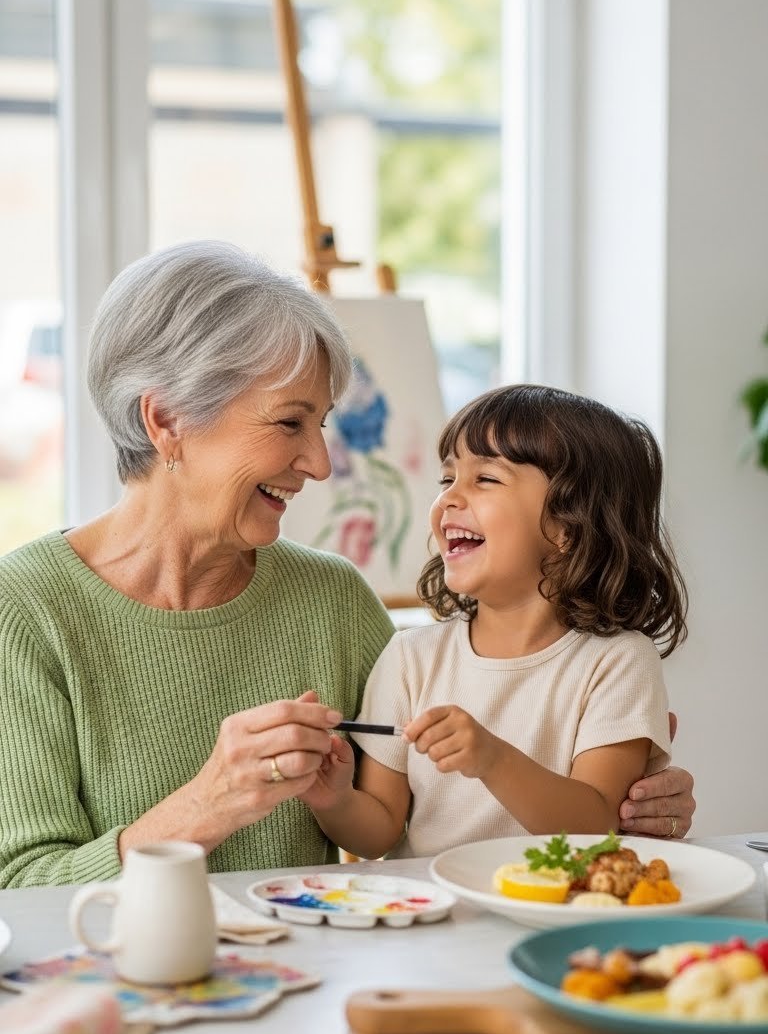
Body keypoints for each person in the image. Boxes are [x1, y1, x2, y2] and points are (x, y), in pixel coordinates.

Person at [0, 249, 694, 888]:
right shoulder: (27, 609)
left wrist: (635, 801)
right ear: (167, 420)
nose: (320, 464)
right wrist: (205, 806)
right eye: (288, 423)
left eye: (323, 424)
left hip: (312, 982)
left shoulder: (331, 599)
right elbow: (20, 891)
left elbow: (435, 805)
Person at [300, 384, 692, 859]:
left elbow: (595, 825)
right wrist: (333, 799)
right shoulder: (410, 657)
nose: (448, 499)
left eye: (485, 479)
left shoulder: (617, 661)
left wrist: (492, 758)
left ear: (568, 525)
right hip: (433, 918)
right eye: (447, 480)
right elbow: (379, 830)